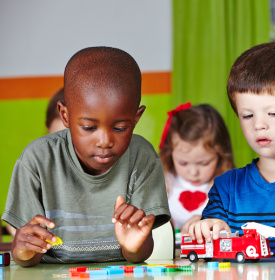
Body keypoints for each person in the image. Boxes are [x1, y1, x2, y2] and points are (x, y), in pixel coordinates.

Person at [2, 46, 171, 267]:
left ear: (136, 117)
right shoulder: (37, 160)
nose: (104, 141)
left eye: (120, 128)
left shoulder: (143, 158)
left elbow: (139, 254)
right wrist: (21, 249)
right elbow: (29, 254)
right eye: (89, 127)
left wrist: (133, 246)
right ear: (65, 115)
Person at [188, 41, 275, 260]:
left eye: (273, 113)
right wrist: (209, 228)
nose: (259, 125)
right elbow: (211, 239)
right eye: (247, 115)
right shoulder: (226, 187)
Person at [158, 102, 235, 234]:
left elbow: (236, 226)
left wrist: (208, 222)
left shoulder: (227, 187)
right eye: (183, 163)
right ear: (170, 154)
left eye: (204, 163)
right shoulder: (163, 182)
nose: (193, 173)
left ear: (221, 155)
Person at [5, 88, 67, 238]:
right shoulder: (36, 165)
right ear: (47, 128)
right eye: (57, 139)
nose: (67, 150)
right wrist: (25, 234)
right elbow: (14, 223)